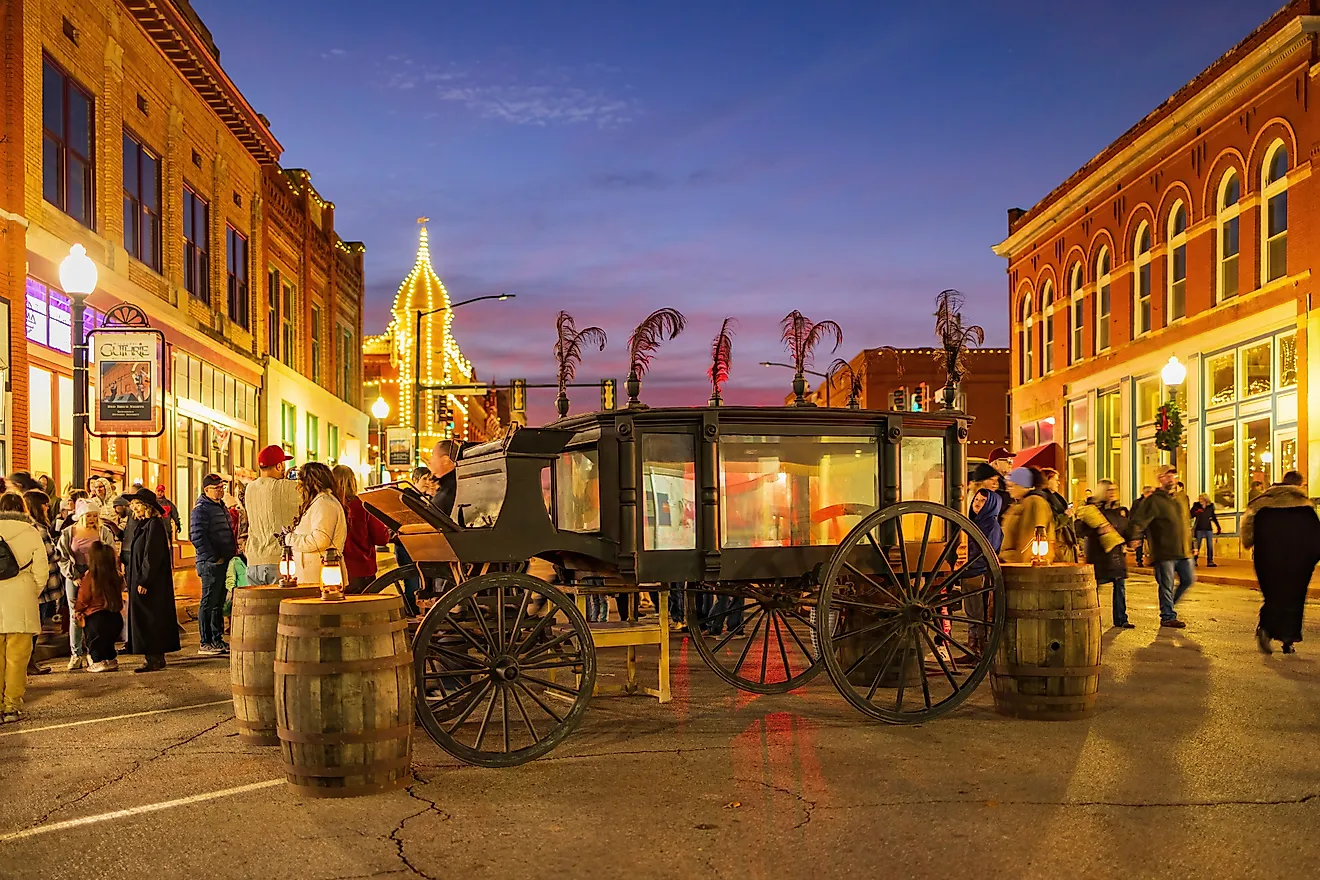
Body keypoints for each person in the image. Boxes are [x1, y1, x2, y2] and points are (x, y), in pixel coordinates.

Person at [1241, 471, 1320, 655]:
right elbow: (1315, 536)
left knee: (1273, 594)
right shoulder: (1305, 507)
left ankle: (1266, 629)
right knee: (1294, 597)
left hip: (1267, 557)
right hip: (1298, 560)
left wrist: (1252, 543)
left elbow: (1247, 531)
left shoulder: (1262, 503)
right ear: (1298, 485)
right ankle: (1288, 639)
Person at [0, 497, 51, 723]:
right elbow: (42, 572)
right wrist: (32, 591)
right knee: (17, 660)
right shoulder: (31, 532)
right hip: (21, 600)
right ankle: (11, 706)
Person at [1127, 465, 1194, 629]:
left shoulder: (1182, 498)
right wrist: (1135, 538)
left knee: (1188, 580)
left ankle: (1169, 606)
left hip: (1183, 549)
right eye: (1167, 475)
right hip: (1164, 551)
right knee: (1166, 584)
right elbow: (1138, 521)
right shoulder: (1153, 501)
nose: (1171, 478)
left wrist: (1193, 544)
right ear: (1160, 479)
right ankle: (1167, 616)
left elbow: (1186, 524)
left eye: (1173, 475)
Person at [55, 498, 118, 671]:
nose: (92, 519)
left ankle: (95, 652)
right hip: (75, 574)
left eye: (94, 516)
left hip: (99, 575)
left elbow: (110, 552)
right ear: (81, 516)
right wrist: (73, 575)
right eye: (89, 516)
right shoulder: (69, 533)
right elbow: (61, 556)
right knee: (77, 613)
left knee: (97, 613)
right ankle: (76, 653)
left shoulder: (103, 531)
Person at [124, 487, 179, 672]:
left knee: (150, 618)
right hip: (142, 579)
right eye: (133, 505)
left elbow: (151, 557)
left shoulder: (154, 525)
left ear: (147, 506)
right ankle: (153, 657)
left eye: (137, 505)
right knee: (147, 618)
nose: (134, 509)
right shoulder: (145, 524)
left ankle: (153, 658)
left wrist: (144, 581)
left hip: (150, 583)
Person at [1075, 480, 1132, 628]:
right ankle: (1087, 617)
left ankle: (1121, 619)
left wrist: (1131, 538)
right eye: (1109, 490)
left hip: (1116, 554)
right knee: (1094, 588)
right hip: (1099, 555)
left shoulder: (1118, 510)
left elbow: (1125, 528)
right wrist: (1097, 530)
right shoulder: (1092, 510)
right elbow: (1080, 530)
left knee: (1120, 586)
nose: (1112, 493)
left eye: (1114, 489)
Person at [190, 474, 236, 655]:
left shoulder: (221, 507)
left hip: (224, 561)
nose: (220, 490)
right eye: (216, 488)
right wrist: (212, 557)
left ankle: (217, 640)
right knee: (208, 601)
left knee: (218, 602)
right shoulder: (201, 510)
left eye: (222, 487)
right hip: (210, 563)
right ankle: (205, 641)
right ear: (206, 490)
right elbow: (197, 536)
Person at [244, 446, 302, 586]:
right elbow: (305, 497)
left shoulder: (249, 488)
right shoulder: (284, 487)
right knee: (279, 606)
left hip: (252, 561)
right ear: (279, 465)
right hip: (277, 560)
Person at [285, 462, 347, 586]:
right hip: (312, 575)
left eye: (301, 482)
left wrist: (290, 539)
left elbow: (321, 540)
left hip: (319, 576)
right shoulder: (318, 502)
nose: (299, 487)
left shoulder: (324, 504)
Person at [333, 465, 392, 593]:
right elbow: (381, 538)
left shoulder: (328, 505)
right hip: (362, 569)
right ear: (353, 481)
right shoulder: (363, 505)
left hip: (334, 570)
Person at [22, 491, 61, 676]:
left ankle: (28, 661)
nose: (47, 508)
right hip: (42, 585)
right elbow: (50, 554)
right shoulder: (38, 528)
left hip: (27, 584)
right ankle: (29, 662)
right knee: (34, 625)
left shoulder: (23, 527)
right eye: (45, 505)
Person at [75, 541, 125, 673]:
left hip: (96, 617)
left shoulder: (90, 577)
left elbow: (84, 597)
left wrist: (78, 610)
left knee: (95, 641)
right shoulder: (117, 575)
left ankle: (98, 661)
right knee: (109, 641)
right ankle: (111, 659)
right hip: (115, 615)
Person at [964, 487, 1003, 653]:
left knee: (980, 614)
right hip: (967, 571)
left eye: (983, 501)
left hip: (980, 574)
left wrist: (971, 561)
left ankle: (980, 650)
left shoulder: (992, 526)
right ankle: (972, 648)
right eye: (976, 500)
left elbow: (989, 551)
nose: (977, 504)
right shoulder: (972, 523)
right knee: (971, 614)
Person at [1000, 467, 1055, 563]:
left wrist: (1024, 568)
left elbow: (1030, 539)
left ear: (1023, 485)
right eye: (1008, 486)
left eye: (1012, 486)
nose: (1008, 489)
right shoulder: (1021, 503)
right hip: (1013, 563)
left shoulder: (1033, 502)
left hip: (1020, 566)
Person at [1039, 467, 1078, 563]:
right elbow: (1051, 524)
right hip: (1057, 546)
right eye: (1055, 480)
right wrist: (1066, 515)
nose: (1058, 483)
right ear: (1047, 480)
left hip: (1065, 544)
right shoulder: (1044, 499)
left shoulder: (1057, 498)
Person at [428, 440, 460, 518]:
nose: (429, 461)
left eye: (432, 455)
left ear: (445, 460)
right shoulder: (448, 486)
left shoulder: (451, 490)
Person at [1191, 493, 1222, 567]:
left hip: (1208, 528)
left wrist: (1218, 527)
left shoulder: (1210, 506)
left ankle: (1210, 561)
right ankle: (1194, 560)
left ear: (1205, 500)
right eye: (1199, 499)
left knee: (1210, 545)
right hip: (1199, 527)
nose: (1200, 501)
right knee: (1197, 545)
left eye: (1201, 499)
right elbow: (1190, 514)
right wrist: (1196, 512)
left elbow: (1213, 517)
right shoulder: (1196, 505)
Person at [1129, 486, 1155, 566]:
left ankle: (1152, 559)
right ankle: (1139, 560)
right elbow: (1133, 514)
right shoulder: (1137, 502)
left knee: (1152, 542)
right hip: (1139, 526)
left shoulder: (1153, 502)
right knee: (1139, 544)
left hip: (1150, 525)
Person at [986, 448, 1014, 514]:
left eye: (1011, 461)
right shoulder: (993, 482)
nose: (1010, 464)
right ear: (996, 464)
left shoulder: (1001, 481)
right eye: (1008, 461)